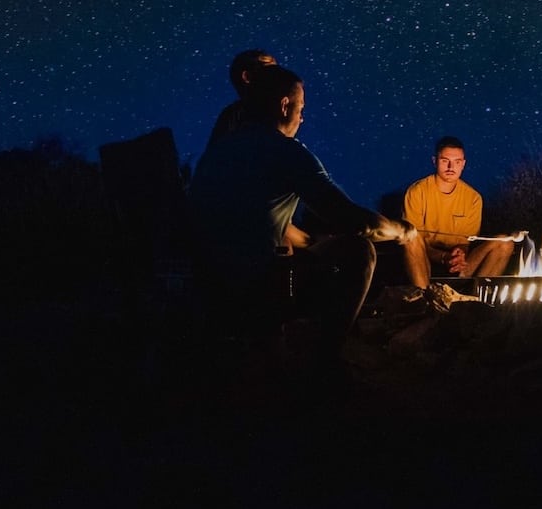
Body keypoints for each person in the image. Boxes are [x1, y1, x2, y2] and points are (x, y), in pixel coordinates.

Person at [187, 61, 416, 385]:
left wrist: (315, 243)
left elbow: (258, 218)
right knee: (359, 251)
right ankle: (324, 366)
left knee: (320, 250)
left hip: (206, 283)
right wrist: (400, 230)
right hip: (254, 288)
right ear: (284, 105)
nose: (303, 117)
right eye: (301, 107)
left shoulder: (220, 150)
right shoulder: (285, 152)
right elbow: (353, 220)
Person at [399, 136, 518, 288]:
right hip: (426, 261)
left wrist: (458, 256)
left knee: (505, 243)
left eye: (457, 162)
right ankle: (425, 297)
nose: (451, 167)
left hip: (458, 262)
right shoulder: (417, 192)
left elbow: (465, 242)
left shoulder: (473, 198)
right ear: (435, 161)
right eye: (445, 160)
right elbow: (415, 242)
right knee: (409, 239)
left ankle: (475, 299)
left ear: (463, 164)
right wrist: (443, 257)